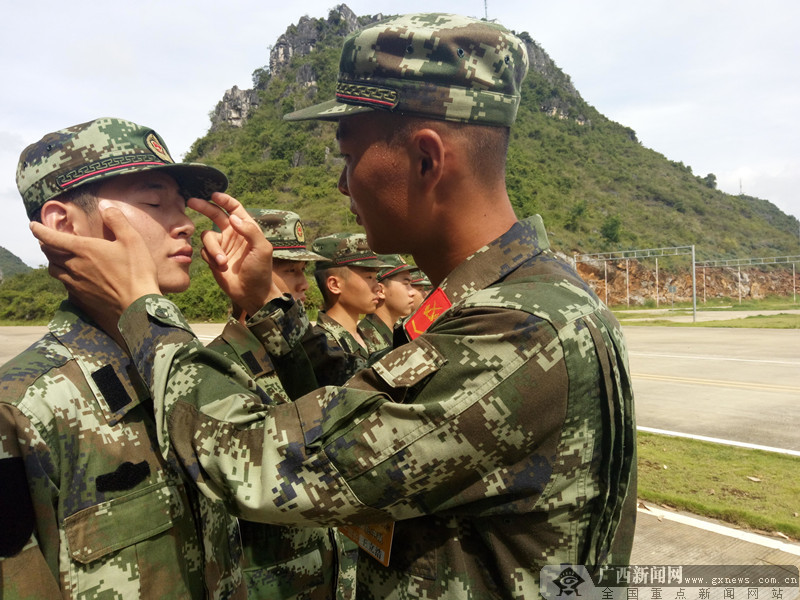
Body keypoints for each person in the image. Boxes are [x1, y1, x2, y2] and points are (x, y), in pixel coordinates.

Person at [32, 13, 637, 599]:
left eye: (348, 157)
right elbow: (362, 410)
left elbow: (270, 463)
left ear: (427, 159)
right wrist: (268, 305)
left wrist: (142, 308)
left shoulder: (519, 331)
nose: (343, 185)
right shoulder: (523, 301)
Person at [0, 117, 244, 599]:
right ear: (63, 224)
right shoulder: (22, 409)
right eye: (154, 201)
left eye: (182, 203)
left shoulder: (192, 368)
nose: (185, 223)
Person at [308, 233, 390, 383]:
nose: (378, 286)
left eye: (376, 277)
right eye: (369, 277)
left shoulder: (369, 336)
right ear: (334, 285)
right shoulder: (322, 347)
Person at [359, 254, 416, 347]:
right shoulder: (364, 340)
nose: (412, 292)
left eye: (411, 284)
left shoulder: (405, 331)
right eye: (406, 284)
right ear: (381, 291)